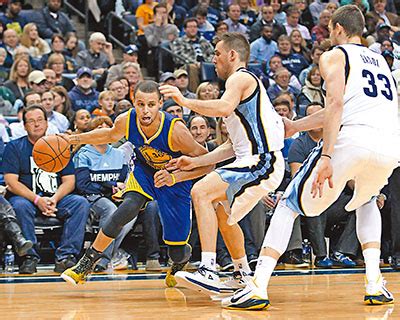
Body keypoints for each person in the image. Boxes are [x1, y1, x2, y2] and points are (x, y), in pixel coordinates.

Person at [223, 5, 399, 310]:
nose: (329, 36)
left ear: (339, 29)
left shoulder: (335, 55)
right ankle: (374, 283)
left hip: (352, 139)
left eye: (330, 30)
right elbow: (356, 107)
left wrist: (327, 155)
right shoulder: (383, 62)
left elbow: (335, 105)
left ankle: (257, 285)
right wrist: (296, 126)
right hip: (388, 146)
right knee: (366, 200)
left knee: (289, 203)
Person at [159, 32, 285, 296]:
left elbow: (223, 107)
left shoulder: (240, 78)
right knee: (221, 210)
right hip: (255, 160)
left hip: (261, 160)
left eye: (217, 53)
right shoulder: (243, 89)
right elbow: (231, 147)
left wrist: (183, 100)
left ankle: (209, 267)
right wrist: (195, 161)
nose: (213, 59)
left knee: (200, 192)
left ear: (232, 55)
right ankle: (242, 274)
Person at [60, 80, 213, 287]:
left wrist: (175, 177)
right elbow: (109, 134)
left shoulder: (176, 132)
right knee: (127, 208)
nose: (145, 110)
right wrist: (74, 139)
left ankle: (181, 261)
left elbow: (208, 164)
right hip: (146, 172)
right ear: (134, 103)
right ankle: (86, 263)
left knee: (176, 250)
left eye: (151, 104)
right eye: (140, 104)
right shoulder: (127, 120)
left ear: (160, 103)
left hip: (176, 180)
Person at [2, 105, 90, 274]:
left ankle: (66, 257)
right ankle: (29, 257)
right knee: (19, 206)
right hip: (27, 199)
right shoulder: (14, 147)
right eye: (31, 121)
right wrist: (37, 200)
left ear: (47, 123)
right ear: (25, 125)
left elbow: (69, 181)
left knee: (80, 203)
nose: (36, 124)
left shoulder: (59, 145)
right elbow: (11, 182)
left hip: (55, 198)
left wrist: (54, 199)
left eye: (40, 120)